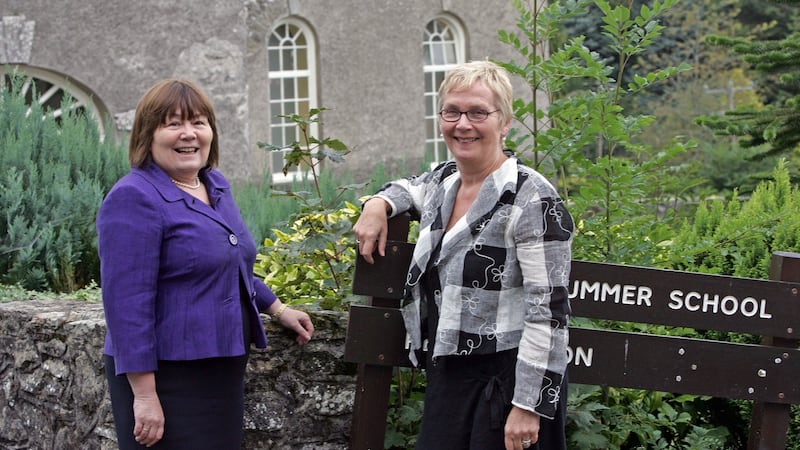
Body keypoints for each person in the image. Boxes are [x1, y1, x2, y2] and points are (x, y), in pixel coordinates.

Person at [353, 60, 574, 450]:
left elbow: (549, 313)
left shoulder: (533, 199)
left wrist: (527, 406)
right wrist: (377, 204)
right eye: (451, 112)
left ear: (504, 122)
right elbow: (407, 187)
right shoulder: (444, 181)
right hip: (450, 374)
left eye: (477, 112)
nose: (462, 124)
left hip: (507, 382)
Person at [97, 79, 314, 449]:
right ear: (147, 135)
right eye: (173, 124)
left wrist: (276, 308)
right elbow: (126, 306)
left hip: (220, 370)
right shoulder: (133, 197)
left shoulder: (214, 185)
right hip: (167, 378)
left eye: (198, 122)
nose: (189, 134)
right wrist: (146, 396)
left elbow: (232, 265)